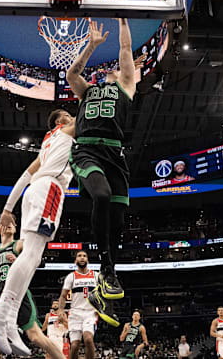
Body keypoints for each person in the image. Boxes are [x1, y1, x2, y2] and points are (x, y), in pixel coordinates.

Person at [0, 109, 76, 355]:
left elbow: (25, 175)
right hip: (50, 190)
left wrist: (7, 208)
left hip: (33, 192)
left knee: (30, 258)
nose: (72, 116)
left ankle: (9, 319)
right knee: (32, 255)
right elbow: (89, 110)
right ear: (59, 121)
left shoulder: (47, 145)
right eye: (67, 114)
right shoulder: (65, 132)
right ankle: (1, 314)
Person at [65, 18, 139, 327]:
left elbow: (125, 48)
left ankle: (102, 288)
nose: (111, 69)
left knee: (119, 223)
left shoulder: (125, 86)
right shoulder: (87, 92)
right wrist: (91, 46)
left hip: (115, 154)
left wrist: (122, 17)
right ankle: (107, 270)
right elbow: (72, 73)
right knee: (102, 195)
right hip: (87, 149)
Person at [0, 220, 66, 359]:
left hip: (18, 294)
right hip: (1, 297)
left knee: (35, 336)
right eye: (6, 222)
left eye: (13, 223)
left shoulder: (19, 244)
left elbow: (39, 261)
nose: (10, 224)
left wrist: (18, 260)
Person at [58, 251, 99, 359]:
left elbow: (104, 294)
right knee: (75, 345)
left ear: (87, 260)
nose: (82, 258)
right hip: (75, 314)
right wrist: (61, 310)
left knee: (88, 339)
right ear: (76, 261)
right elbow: (63, 296)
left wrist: (104, 309)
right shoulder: (71, 277)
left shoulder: (96, 275)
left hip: (91, 313)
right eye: (79, 256)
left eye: (84, 256)